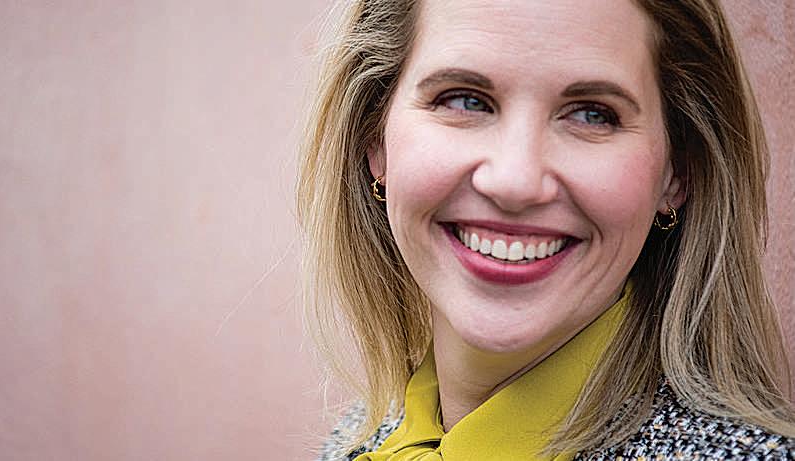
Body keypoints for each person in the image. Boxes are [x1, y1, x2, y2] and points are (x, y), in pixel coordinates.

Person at [296, 0, 795, 459]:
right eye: (464, 100)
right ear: (375, 141)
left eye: (592, 115)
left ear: (676, 174)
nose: (516, 182)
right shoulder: (353, 442)